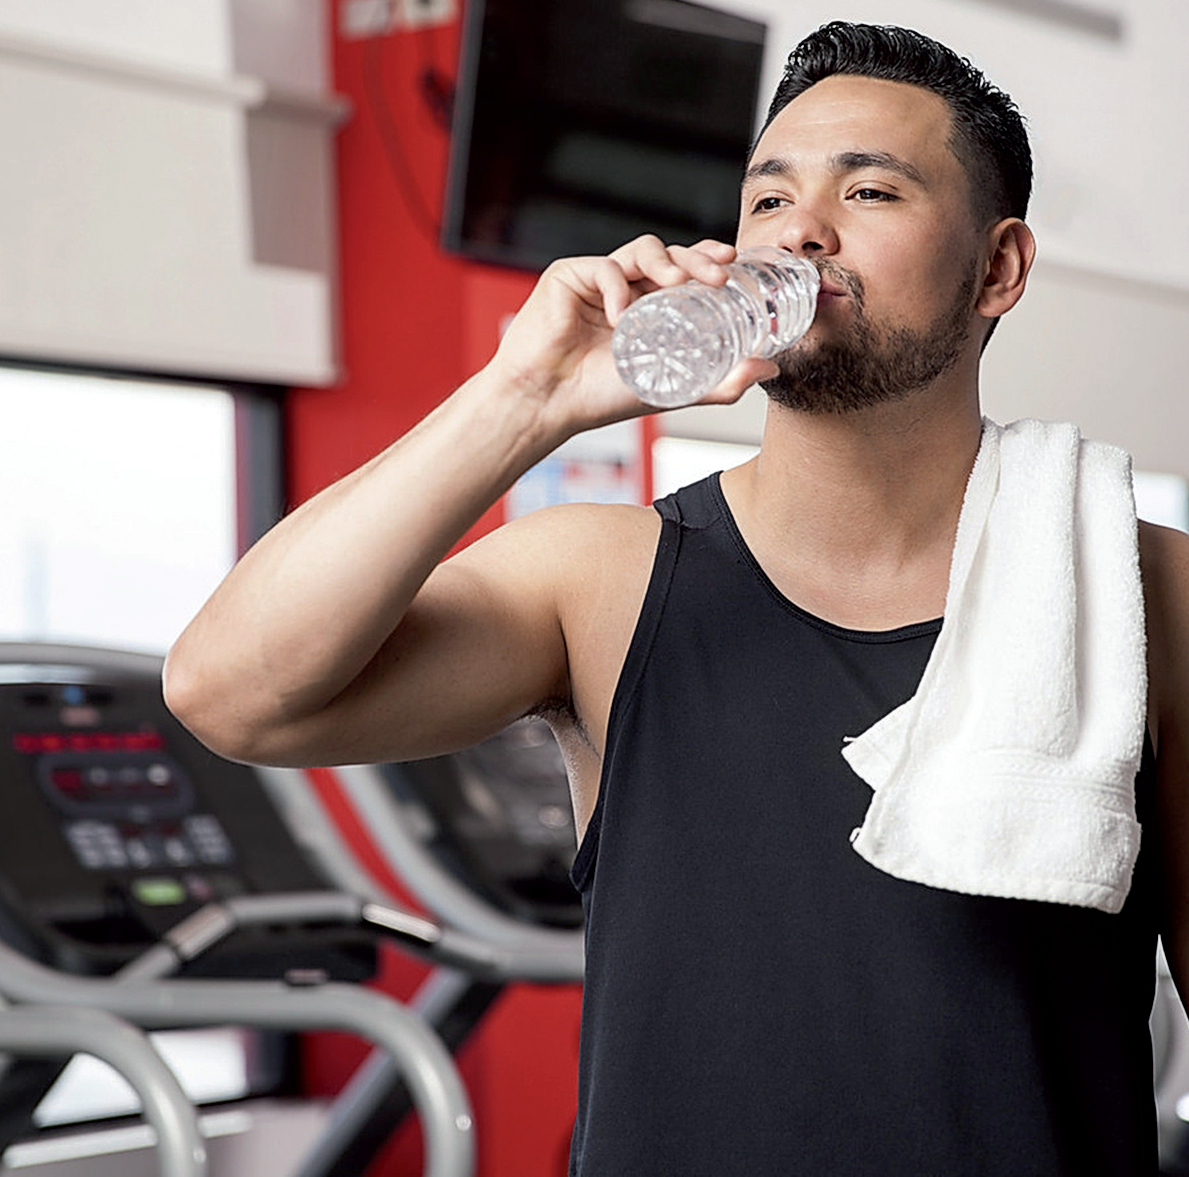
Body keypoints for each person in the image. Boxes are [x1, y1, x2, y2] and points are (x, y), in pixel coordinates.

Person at [164, 20, 1189, 1175]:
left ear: (998, 268)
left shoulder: (1139, 591)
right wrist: (524, 396)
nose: (801, 229)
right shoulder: (597, 577)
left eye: (869, 190)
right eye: (769, 198)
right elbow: (230, 694)